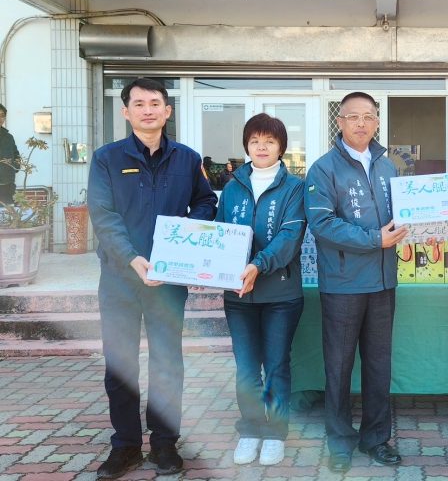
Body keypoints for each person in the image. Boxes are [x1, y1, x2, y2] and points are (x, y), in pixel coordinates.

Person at [88, 78, 217, 479]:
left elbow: (206, 202)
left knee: (167, 361)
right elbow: (103, 215)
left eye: (155, 103)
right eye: (139, 103)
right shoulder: (107, 159)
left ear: (167, 110)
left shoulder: (187, 158)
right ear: (126, 111)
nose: (148, 110)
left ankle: (164, 443)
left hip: (168, 281)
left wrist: (181, 243)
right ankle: (125, 446)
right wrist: (132, 258)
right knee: (120, 364)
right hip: (120, 278)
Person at [304, 91, 408, 473]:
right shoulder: (323, 168)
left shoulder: (388, 166)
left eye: (368, 116)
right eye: (353, 116)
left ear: (377, 122)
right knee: (339, 366)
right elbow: (322, 223)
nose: (361, 123)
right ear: (340, 121)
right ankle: (340, 441)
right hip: (343, 283)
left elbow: (401, 215)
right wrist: (374, 239)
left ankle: (376, 438)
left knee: (379, 365)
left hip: (382, 282)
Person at [215, 113, 306, 467]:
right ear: (246, 146)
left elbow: (290, 237)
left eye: (269, 141)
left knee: (277, 365)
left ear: (281, 146)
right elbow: (220, 233)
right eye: (255, 141)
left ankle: (276, 433)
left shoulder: (294, 187)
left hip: (280, 295)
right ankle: (251, 429)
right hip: (238, 296)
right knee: (247, 368)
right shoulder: (233, 186)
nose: (262, 147)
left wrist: (258, 265)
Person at [0, 104, 20, 204]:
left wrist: (14, 165)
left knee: (7, 211)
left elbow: (16, 156)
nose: (0, 118)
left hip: (7, 185)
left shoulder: (8, 137)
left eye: (2, 115)